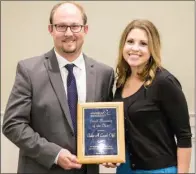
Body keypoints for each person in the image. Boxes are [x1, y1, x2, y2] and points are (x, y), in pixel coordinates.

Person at [2, 1, 114, 173]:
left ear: (85, 29)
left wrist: (109, 151)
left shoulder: (104, 73)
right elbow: (12, 124)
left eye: (75, 26)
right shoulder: (29, 70)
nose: (69, 33)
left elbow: (106, 123)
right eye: (61, 26)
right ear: (51, 29)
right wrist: (54, 154)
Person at [105, 19, 192, 173]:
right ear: (123, 46)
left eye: (143, 44)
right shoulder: (121, 82)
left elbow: (184, 136)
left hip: (159, 169)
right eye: (130, 41)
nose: (135, 48)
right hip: (126, 168)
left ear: (152, 48)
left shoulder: (165, 82)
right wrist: (110, 154)